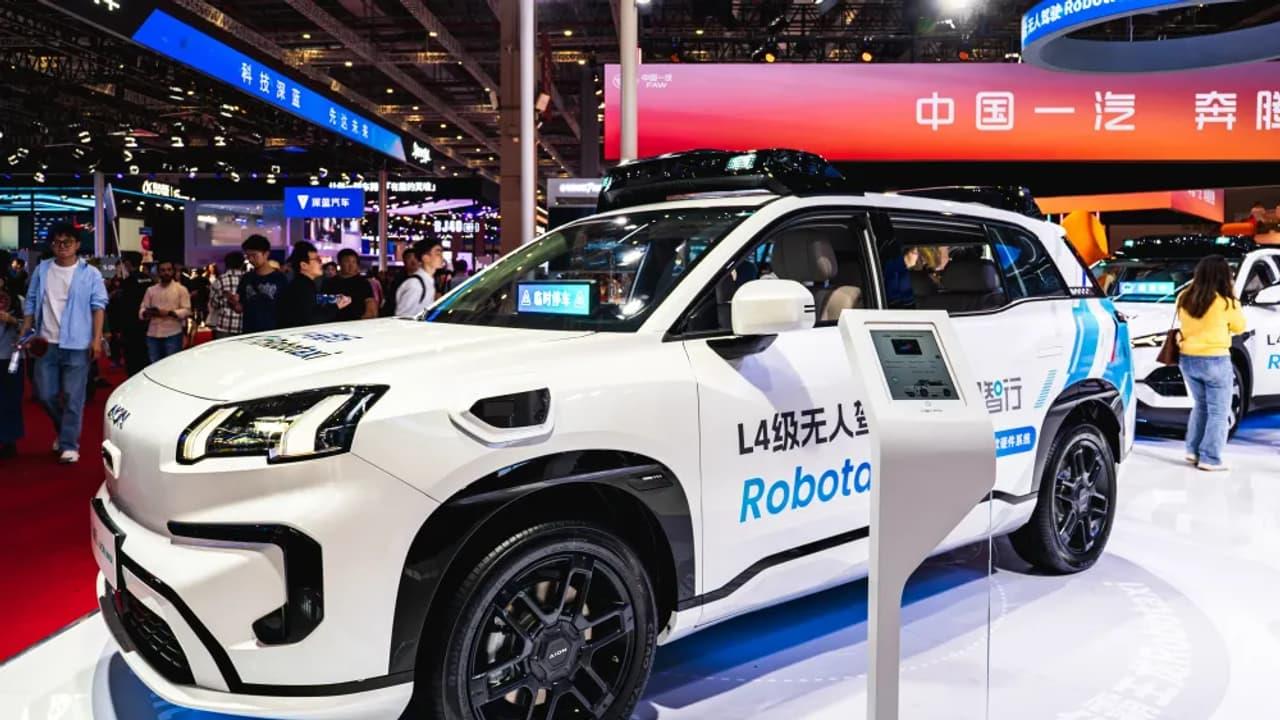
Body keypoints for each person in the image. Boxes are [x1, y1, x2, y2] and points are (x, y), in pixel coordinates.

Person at [20, 223, 108, 463]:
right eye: (57, 242)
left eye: (67, 242)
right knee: (45, 394)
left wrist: (96, 339)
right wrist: (26, 330)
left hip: (78, 344)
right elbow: (31, 300)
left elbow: (98, 307)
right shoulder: (42, 269)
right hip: (46, 342)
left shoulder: (90, 273)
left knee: (72, 396)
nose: (62, 246)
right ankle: (64, 430)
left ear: (77, 245)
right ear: (51, 245)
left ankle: (69, 445)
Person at [1177, 254, 1246, 472]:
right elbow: (1240, 327)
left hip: (1187, 359)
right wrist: (1233, 296)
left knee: (1200, 405)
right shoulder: (1226, 302)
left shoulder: (1184, 297)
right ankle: (1210, 458)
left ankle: (1192, 450)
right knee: (1218, 411)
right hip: (1215, 359)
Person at [277, 242, 350, 329]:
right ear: (304, 265)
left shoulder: (302, 283)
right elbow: (313, 318)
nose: (321, 263)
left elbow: (312, 301)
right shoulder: (302, 287)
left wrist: (333, 299)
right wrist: (336, 306)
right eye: (317, 260)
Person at [139, 261, 191, 364]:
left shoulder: (181, 289)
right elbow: (142, 310)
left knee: (172, 365)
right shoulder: (151, 290)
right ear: (158, 272)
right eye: (162, 270)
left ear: (173, 271)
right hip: (153, 333)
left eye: (169, 270)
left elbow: (187, 310)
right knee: (154, 366)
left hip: (173, 333)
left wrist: (169, 313)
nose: (166, 273)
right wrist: (149, 312)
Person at [233, 235, 287, 334]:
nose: (250, 259)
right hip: (249, 333)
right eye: (248, 256)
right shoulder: (246, 278)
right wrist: (233, 302)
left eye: (254, 255)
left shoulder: (280, 279)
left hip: (274, 333)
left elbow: (286, 309)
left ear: (266, 254)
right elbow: (240, 308)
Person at [111, 252, 153, 376]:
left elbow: (122, 306)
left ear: (128, 263)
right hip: (147, 323)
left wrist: (118, 327)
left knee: (132, 357)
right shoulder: (149, 279)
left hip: (131, 325)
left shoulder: (128, 282)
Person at [0, 287, 23, 458]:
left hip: (11, 357)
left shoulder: (19, 301)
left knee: (10, 399)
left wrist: (13, 320)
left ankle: (9, 439)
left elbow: (32, 327)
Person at [325, 248, 376, 321]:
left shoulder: (363, 282)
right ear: (339, 263)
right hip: (335, 322)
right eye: (347, 261)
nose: (351, 265)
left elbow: (370, 302)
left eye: (354, 262)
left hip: (357, 322)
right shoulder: (330, 283)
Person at [208, 251, 245, 339]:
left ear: (226, 264)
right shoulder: (248, 278)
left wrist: (224, 299)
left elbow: (213, 304)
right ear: (242, 264)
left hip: (224, 325)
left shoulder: (220, 280)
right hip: (244, 325)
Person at [394, 245, 435, 316]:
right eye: (409, 258)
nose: (413, 261)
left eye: (415, 258)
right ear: (404, 261)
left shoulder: (427, 279)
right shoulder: (399, 281)